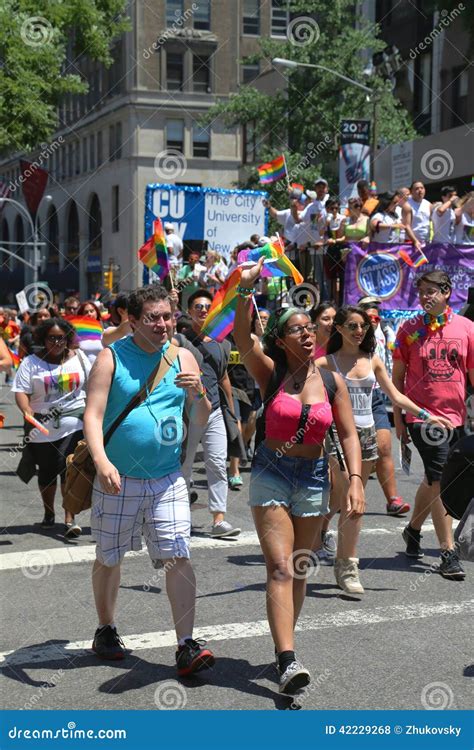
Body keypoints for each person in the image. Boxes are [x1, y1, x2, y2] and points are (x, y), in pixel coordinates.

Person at [233, 258, 364, 694]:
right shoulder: (270, 372)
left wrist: (357, 480)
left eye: (312, 327)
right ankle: (288, 660)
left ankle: (282, 647)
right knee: (280, 568)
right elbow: (240, 338)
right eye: (297, 329)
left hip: (313, 476)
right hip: (272, 470)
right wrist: (242, 291)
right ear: (281, 339)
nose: (308, 333)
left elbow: (347, 434)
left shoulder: (331, 379)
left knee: (302, 568)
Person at [83, 285, 215, 674]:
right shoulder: (111, 358)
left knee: (178, 555)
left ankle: (186, 644)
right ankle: (106, 628)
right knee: (109, 557)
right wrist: (102, 460)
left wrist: (200, 395)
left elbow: (201, 419)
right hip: (118, 478)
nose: (162, 324)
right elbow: (93, 415)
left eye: (168, 316)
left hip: (166, 478)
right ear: (133, 320)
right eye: (153, 318)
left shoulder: (183, 357)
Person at [316, 306, 453, 594]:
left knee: (349, 499)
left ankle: (328, 541)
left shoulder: (372, 359)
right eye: (352, 325)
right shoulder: (325, 364)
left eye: (362, 326)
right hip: (340, 438)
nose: (359, 331)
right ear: (338, 329)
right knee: (352, 499)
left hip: (366, 437)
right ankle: (346, 565)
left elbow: (396, 395)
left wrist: (427, 416)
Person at [392, 270, 474, 580]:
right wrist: (399, 421)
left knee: (433, 478)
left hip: (457, 418)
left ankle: (412, 530)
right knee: (443, 478)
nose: (425, 296)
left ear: (447, 292)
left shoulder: (467, 329)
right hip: (422, 418)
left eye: (431, 291)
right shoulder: (409, 329)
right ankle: (448, 553)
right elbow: (396, 379)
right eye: (422, 291)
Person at [12, 318, 91, 536]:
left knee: (69, 468)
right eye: (51, 338)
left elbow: (94, 385)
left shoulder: (81, 358)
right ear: (43, 339)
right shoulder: (31, 363)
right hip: (41, 427)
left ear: (68, 338)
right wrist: (26, 410)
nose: (57, 342)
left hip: (74, 423)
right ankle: (49, 512)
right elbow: (21, 391)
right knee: (47, 473)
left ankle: (69, 517)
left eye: (61, 337)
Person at [181, 289, 240, 538]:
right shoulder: (180, 341)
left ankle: (218, 520)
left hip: (215, 410)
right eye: (198, 307)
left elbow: (223, 376)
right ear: (189, 311)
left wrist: (232, 409)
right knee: (183, 465)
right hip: (188, 412)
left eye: (207, 307)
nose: (203, 310)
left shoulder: (221, 344)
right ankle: (179, 516)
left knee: (216, 463)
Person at [358, 297, 410, 517]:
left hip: (376, 396)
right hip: (351, 397)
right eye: (367, 317)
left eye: (376, 317)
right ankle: (348, 495)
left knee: (384, 447)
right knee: (353, 453)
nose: (373, 320)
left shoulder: (383, 332)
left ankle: (392, 500)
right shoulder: (349, 337)